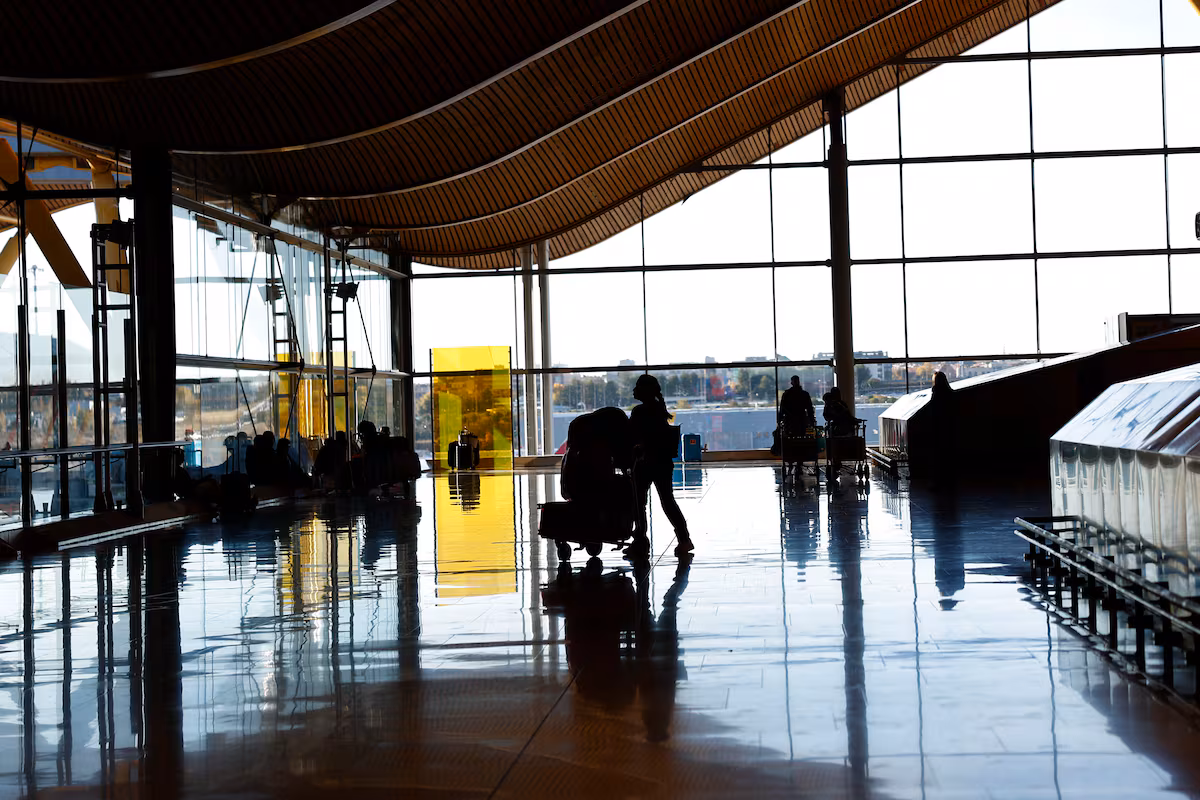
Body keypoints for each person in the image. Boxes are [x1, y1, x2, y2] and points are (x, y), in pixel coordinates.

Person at [629, 374, 693, 555]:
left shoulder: (639, 411)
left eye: (637, 386)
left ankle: (640, 541)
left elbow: (630, 436)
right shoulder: (658, 409)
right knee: (668, 501)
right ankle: (684, 539)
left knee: (638, 503)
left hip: (645, 463)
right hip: (663, 462)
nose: (634, 390)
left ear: (644, 390)